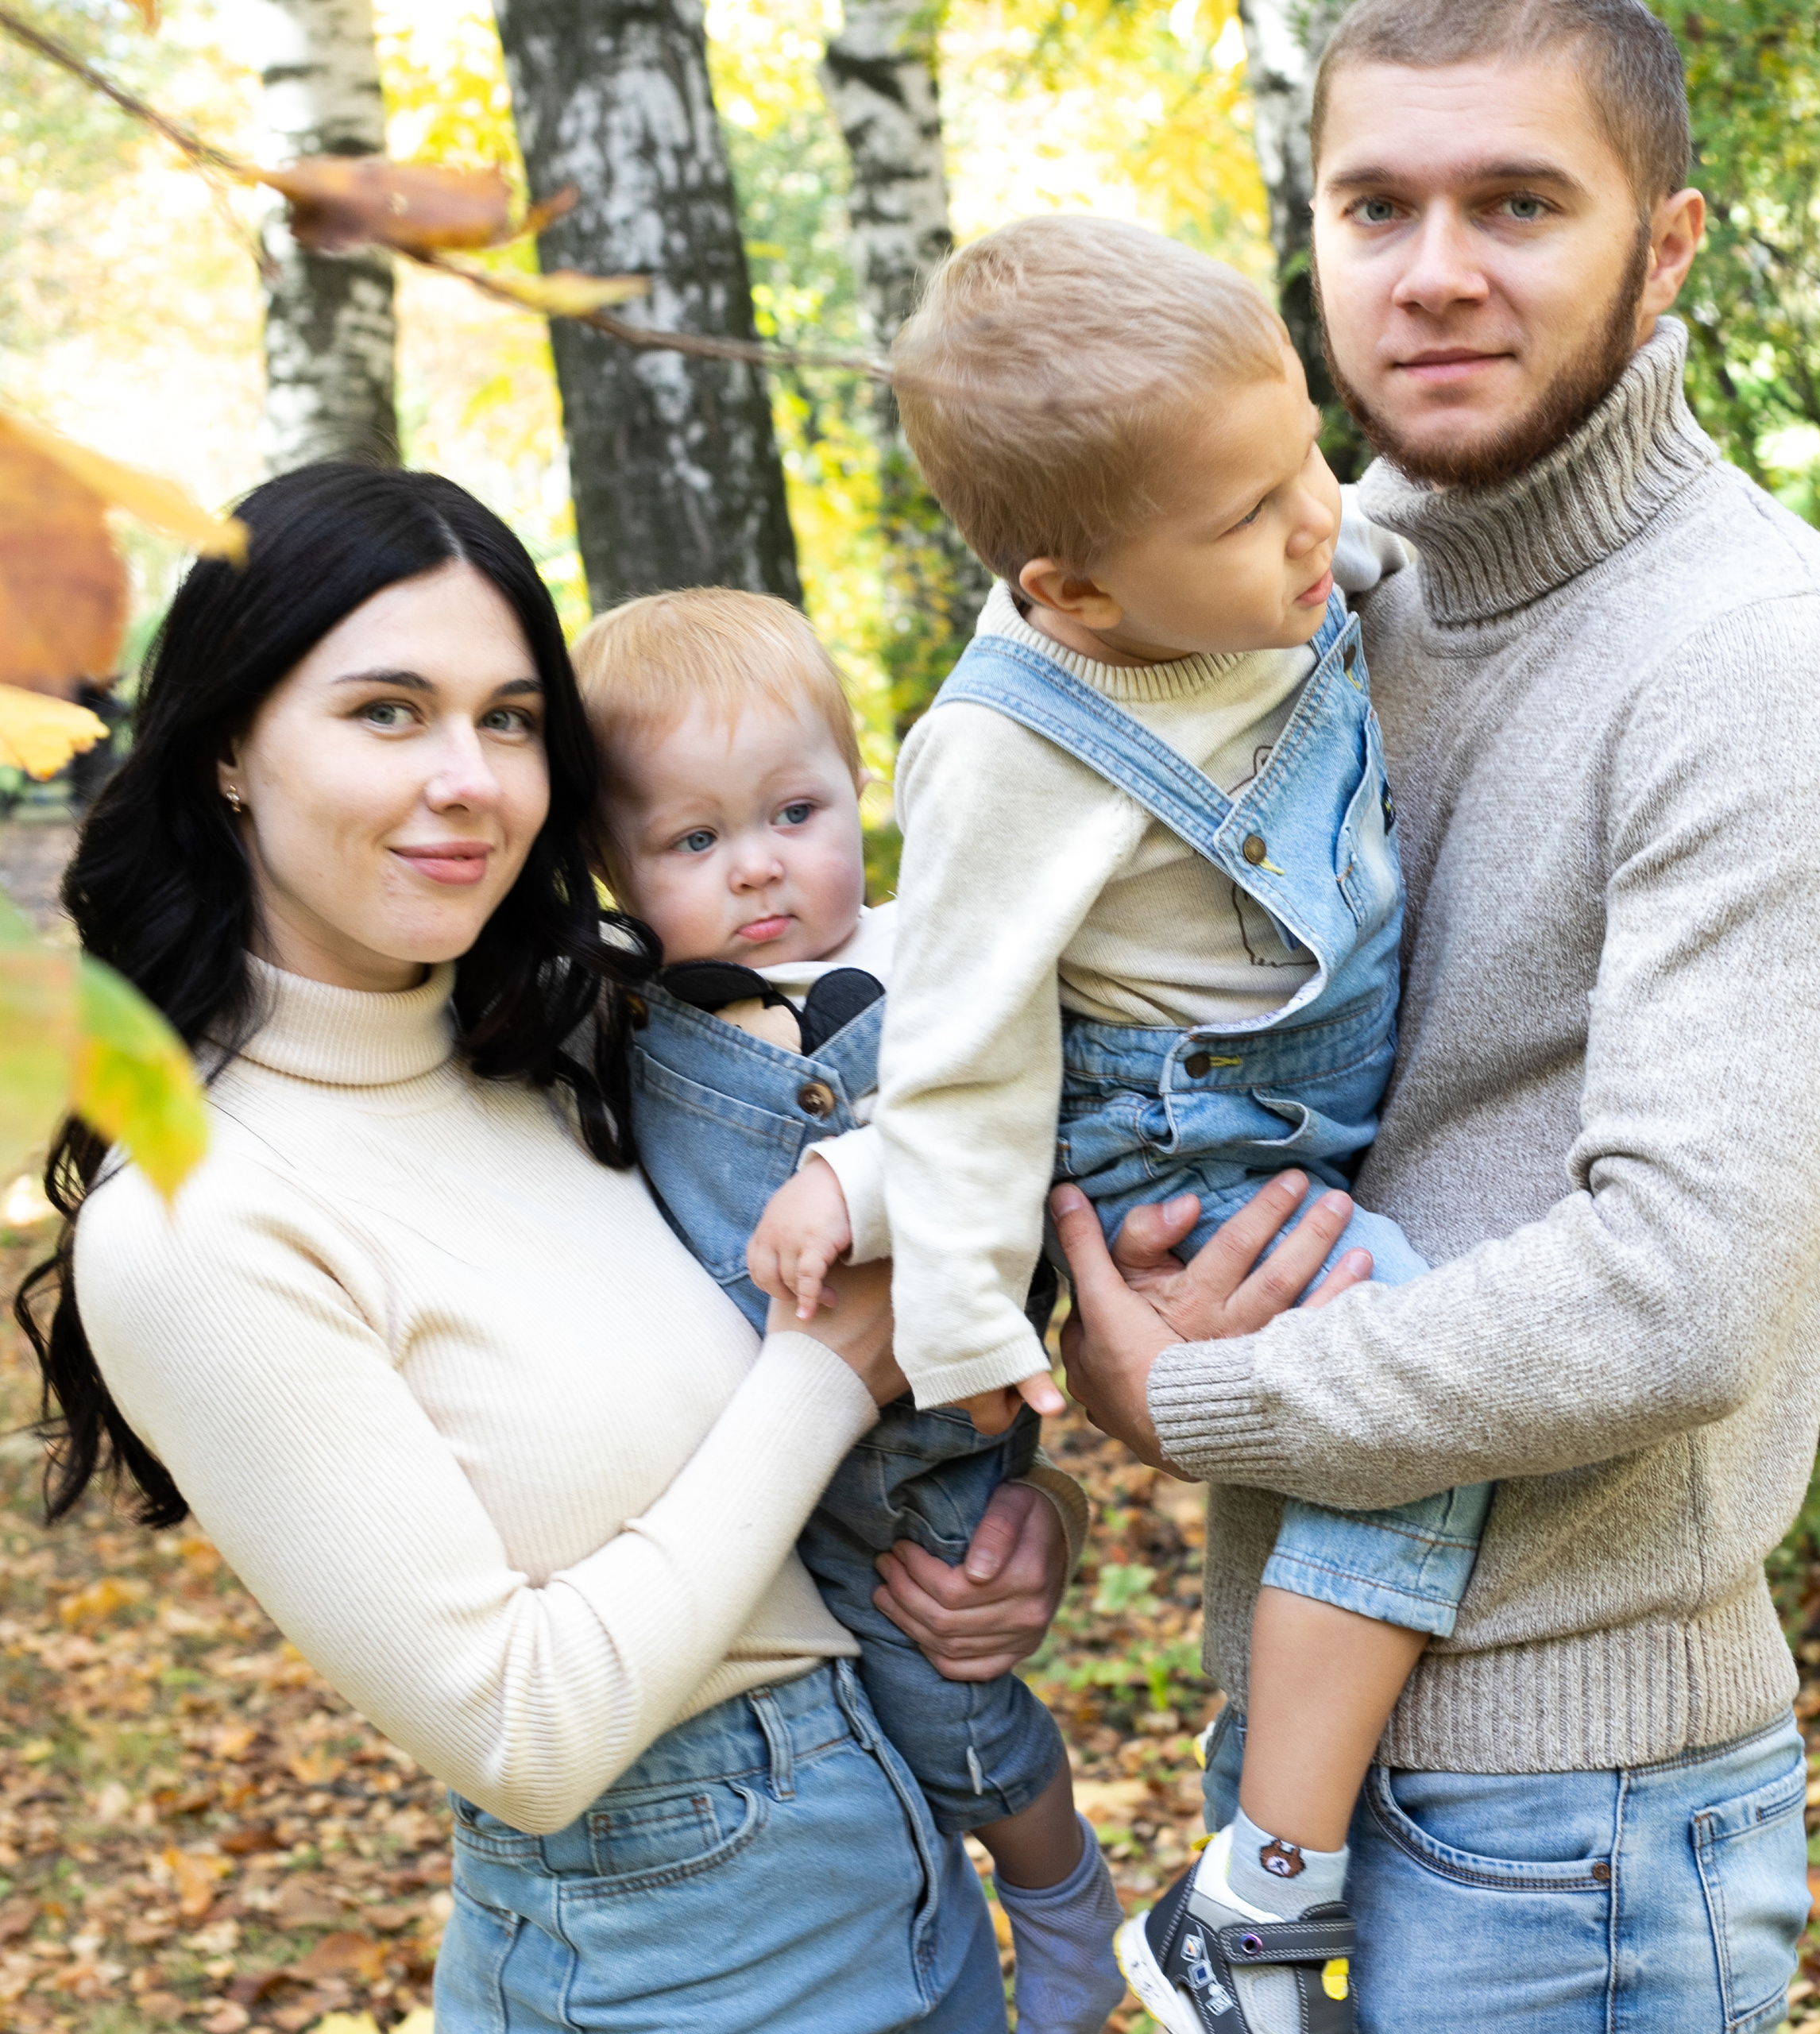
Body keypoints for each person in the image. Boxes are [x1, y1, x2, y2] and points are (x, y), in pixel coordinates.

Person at [1052, 2, 1820, 2030]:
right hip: (1289, 1743)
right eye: (1376, 203)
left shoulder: (1765, 657)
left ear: (1669, 242)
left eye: (1515, 202)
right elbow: (1121, 1019)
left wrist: (1186, 1400)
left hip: (1573, 1826)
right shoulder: (1295, 605)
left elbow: (1672, 1292)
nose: (1432, 267)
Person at [15, 462, 1070, 2034]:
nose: (469, 778)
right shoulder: (202, 1221)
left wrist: (1012, 1522)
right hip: (670, 1955)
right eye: (388, 710)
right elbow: (524, 1727)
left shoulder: (602, 1037)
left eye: (508, 718)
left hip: (904, 1861)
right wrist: (825, 1372)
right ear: (233, 744)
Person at [809, 211, 1483, 2034]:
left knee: (1393, 1419)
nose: (1314, 526)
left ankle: (1262, 1881)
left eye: (1304, 464)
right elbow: (951, 1050)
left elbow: (1347, 532)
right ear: (1079, 593)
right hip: (1176, 1162)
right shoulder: (1013, 749)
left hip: (1283, 1109)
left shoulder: (1268, 563)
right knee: (1412, 1406)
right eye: (1248, 513)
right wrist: (967, 1332)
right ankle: (1257, 1899)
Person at [570, 586, 1124, 2034]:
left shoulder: (932, 960)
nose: (758, 869)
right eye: (692, 842)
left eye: (795, 811)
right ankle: (932, 1924)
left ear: (860, 784)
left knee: (949, 1719)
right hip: (733, 1496)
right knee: (855, 1758)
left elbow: (1020, 1125)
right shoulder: (622, 1008)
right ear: (610, 868)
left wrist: (857, 1179)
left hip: (917, 1460)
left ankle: (1060, 1888)